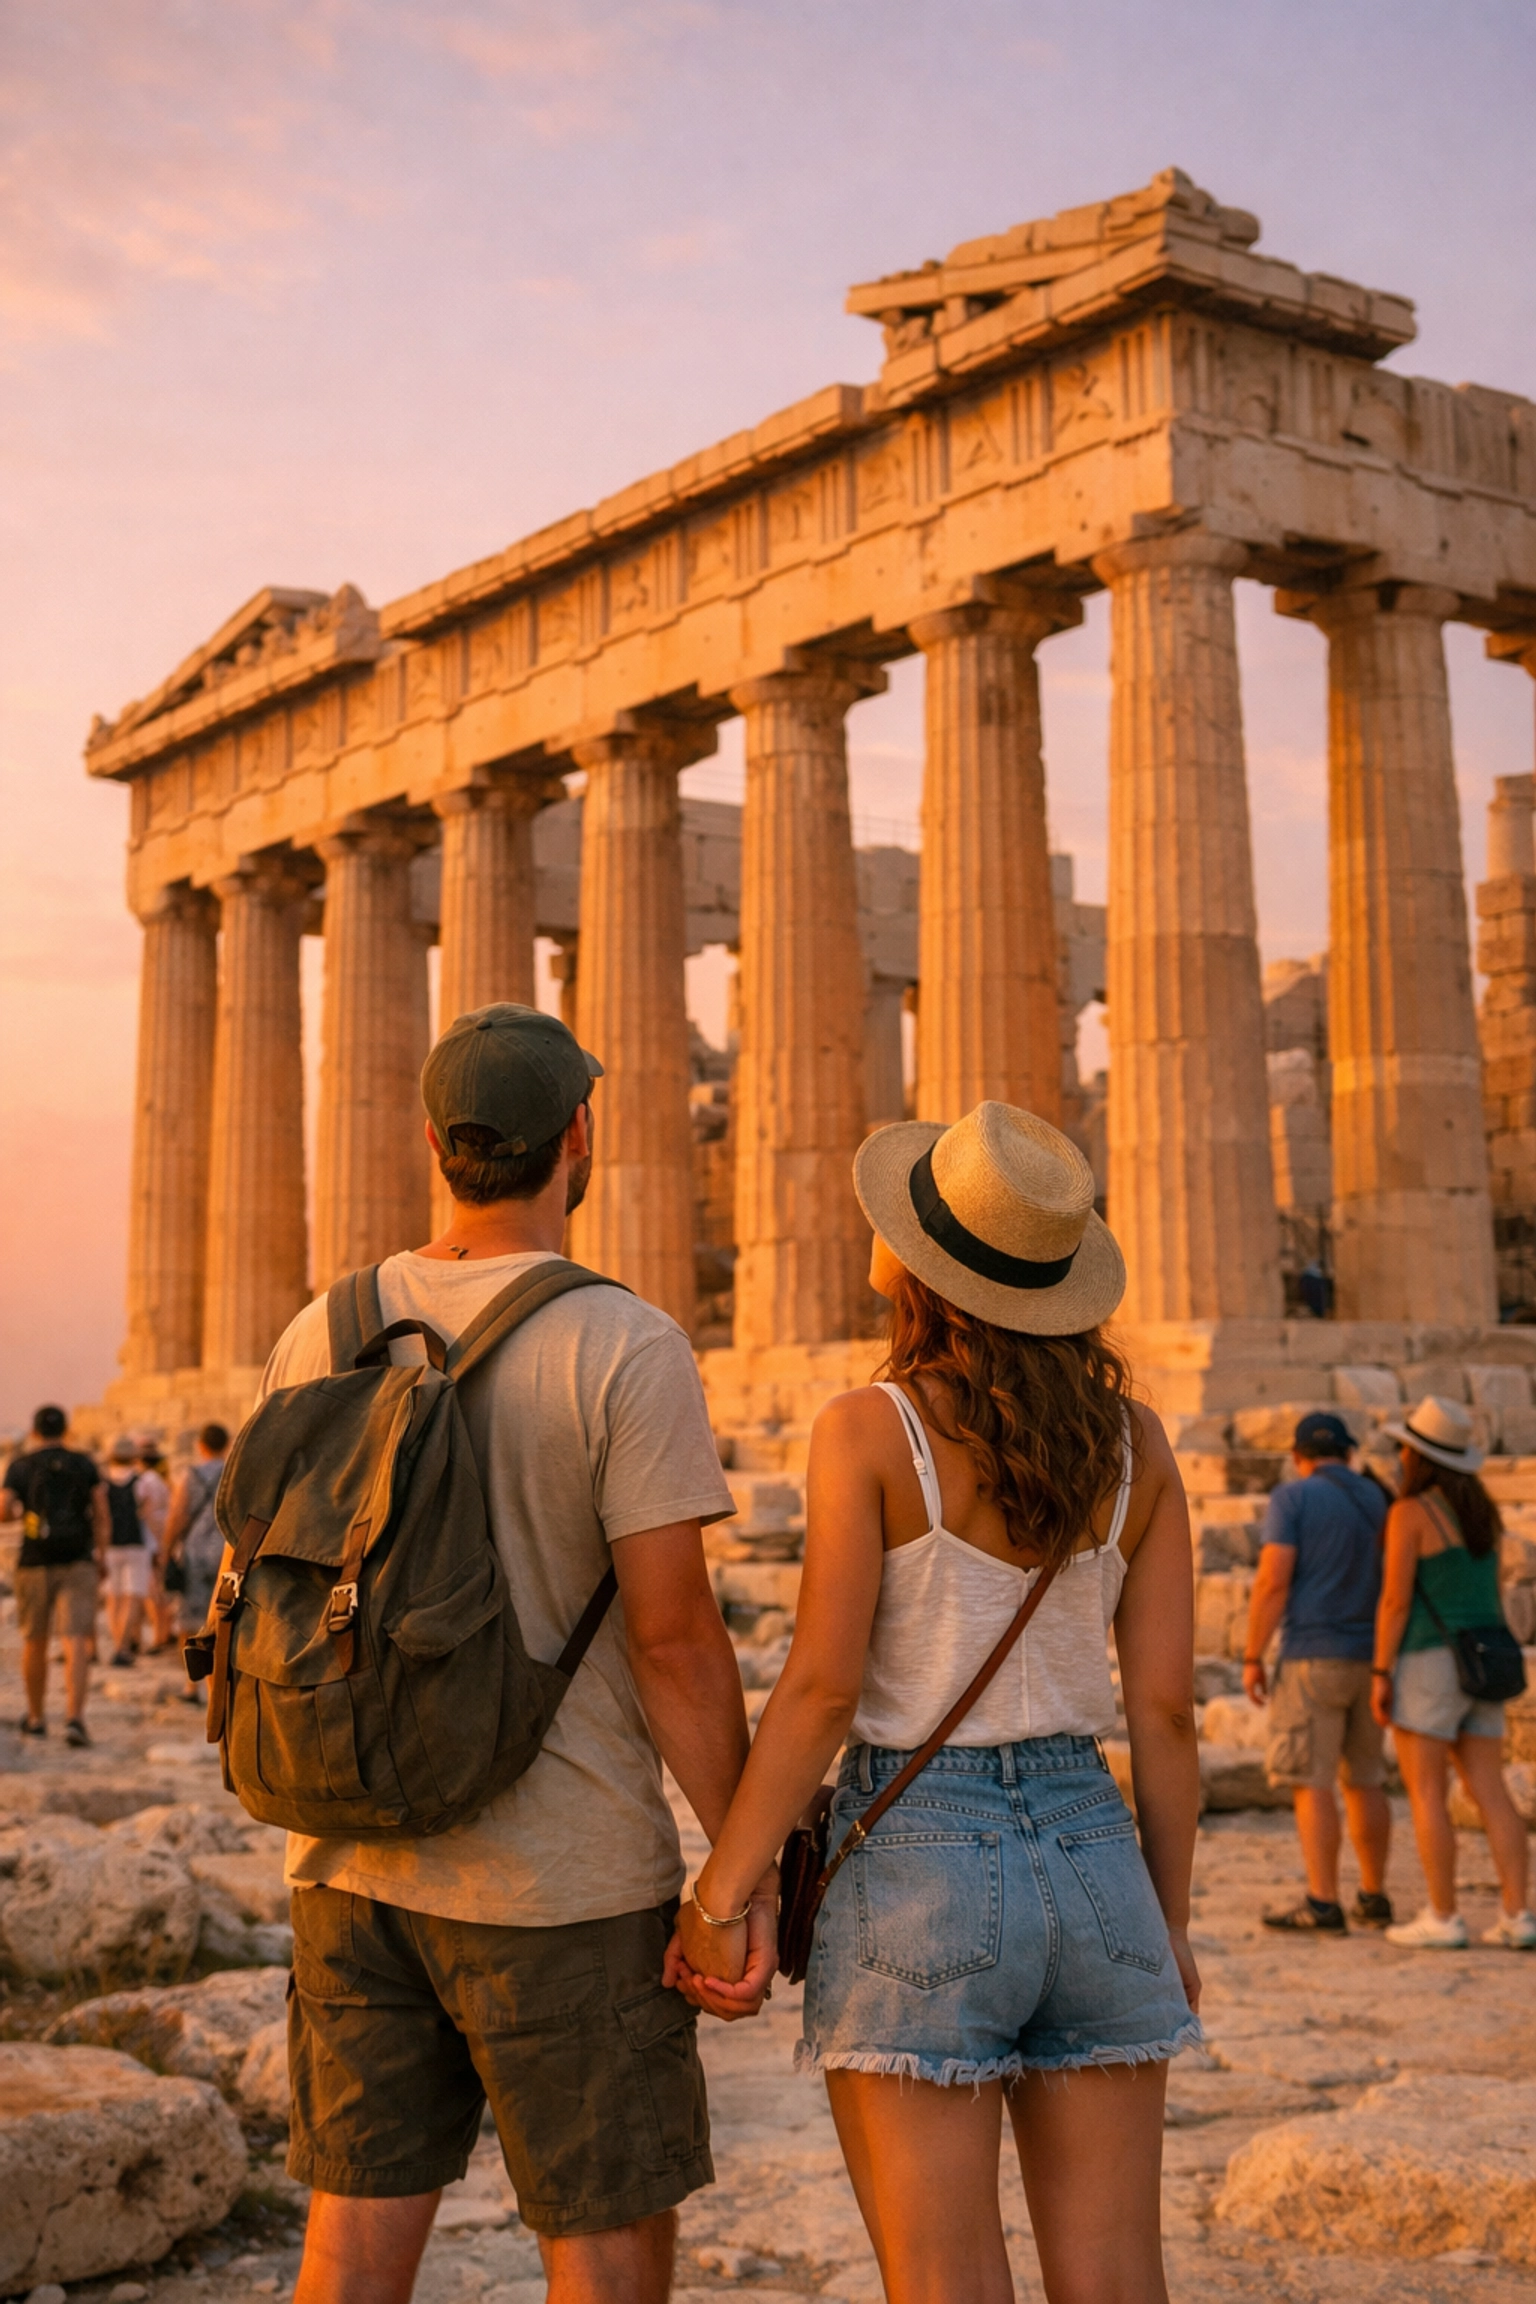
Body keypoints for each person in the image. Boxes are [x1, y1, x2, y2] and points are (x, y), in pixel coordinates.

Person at [257, 1004, 763, 2304]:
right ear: (578, 1138)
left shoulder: (318, 1329)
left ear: (437, 1144)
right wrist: (741, 1868)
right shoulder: (624, 1343)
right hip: (563, 1885)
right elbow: (674, 1641)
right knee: (604, 2251)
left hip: (347, 1861)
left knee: (348, 2250)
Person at [670, 1103, 1201, 2304]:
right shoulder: (1139, 1445)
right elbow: (1166, 1713)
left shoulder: (873, 1430)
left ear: (921, 1274)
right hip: (1097, 1852)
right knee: (1119, 2279)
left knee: (942, 2278)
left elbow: (821, 1690)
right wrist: (1168, 1925)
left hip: (918, 1865)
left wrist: (722, 1894)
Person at [1372, 1395, 1535, 1950]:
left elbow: (1395, 1601)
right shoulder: (1484, 1514)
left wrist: (1380, 1671)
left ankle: (1443, 1915)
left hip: (1427, 1660)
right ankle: (1518, 1914)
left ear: (1417, 1456)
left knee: (1427, 1794)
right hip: (1483, 1659)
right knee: (1492, 1791)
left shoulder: (1410, 1513)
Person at [1242, 1410, 1392, 1933]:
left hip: (1312, 1654)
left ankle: (1323, 1901)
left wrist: (1253, 1654)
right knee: (1367, 1781)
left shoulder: (1293, 1498)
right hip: (1372, 1657)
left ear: (1296, 1456)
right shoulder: (1378, 1497)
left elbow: (1273, 1579)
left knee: (1312, 1783)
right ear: (1349, 1452)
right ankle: (1373, 1894)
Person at [2, 1403, 109, 1746]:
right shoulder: (84, 1464)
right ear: (66, 1430)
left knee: (34, 1640)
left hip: (34, 1560)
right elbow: (101, 1512)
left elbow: (3, 1508)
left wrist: (21, 1516)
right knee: (75, 1639)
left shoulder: (21, 1466)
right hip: (78, 1559)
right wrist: (101, 1554)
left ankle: (36, 1717)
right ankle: (74, 1718)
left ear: (34, 1431)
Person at [162, 1423, 229, 1700]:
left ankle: (192, 1685)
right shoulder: (234, 1473)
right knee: (223, 1620)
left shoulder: (191, 1476)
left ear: (201, 1445)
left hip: (195, 1553)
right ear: (227, 1445)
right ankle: (219, 1688)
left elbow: (178, 1514)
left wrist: (166, 1549)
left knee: (190, 1621)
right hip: (227, 1555)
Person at [103, 1436, 153, 1666]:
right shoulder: (141, 1481)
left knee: (113, 1597)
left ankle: (117, 1645)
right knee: (133, 1596)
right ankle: (123, 1646)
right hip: (135, 1543)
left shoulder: (103, 1482)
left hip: (110, 1545)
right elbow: (148, 1514)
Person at [133, 1437, 175, 1652]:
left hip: (150, 1539)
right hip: (160, 1537)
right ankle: (164, 1631)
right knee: (159, 1588)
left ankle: (159, 1635)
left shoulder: (146, 1481)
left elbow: (148, 1513)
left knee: (152, 1591)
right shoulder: (161, 1480)